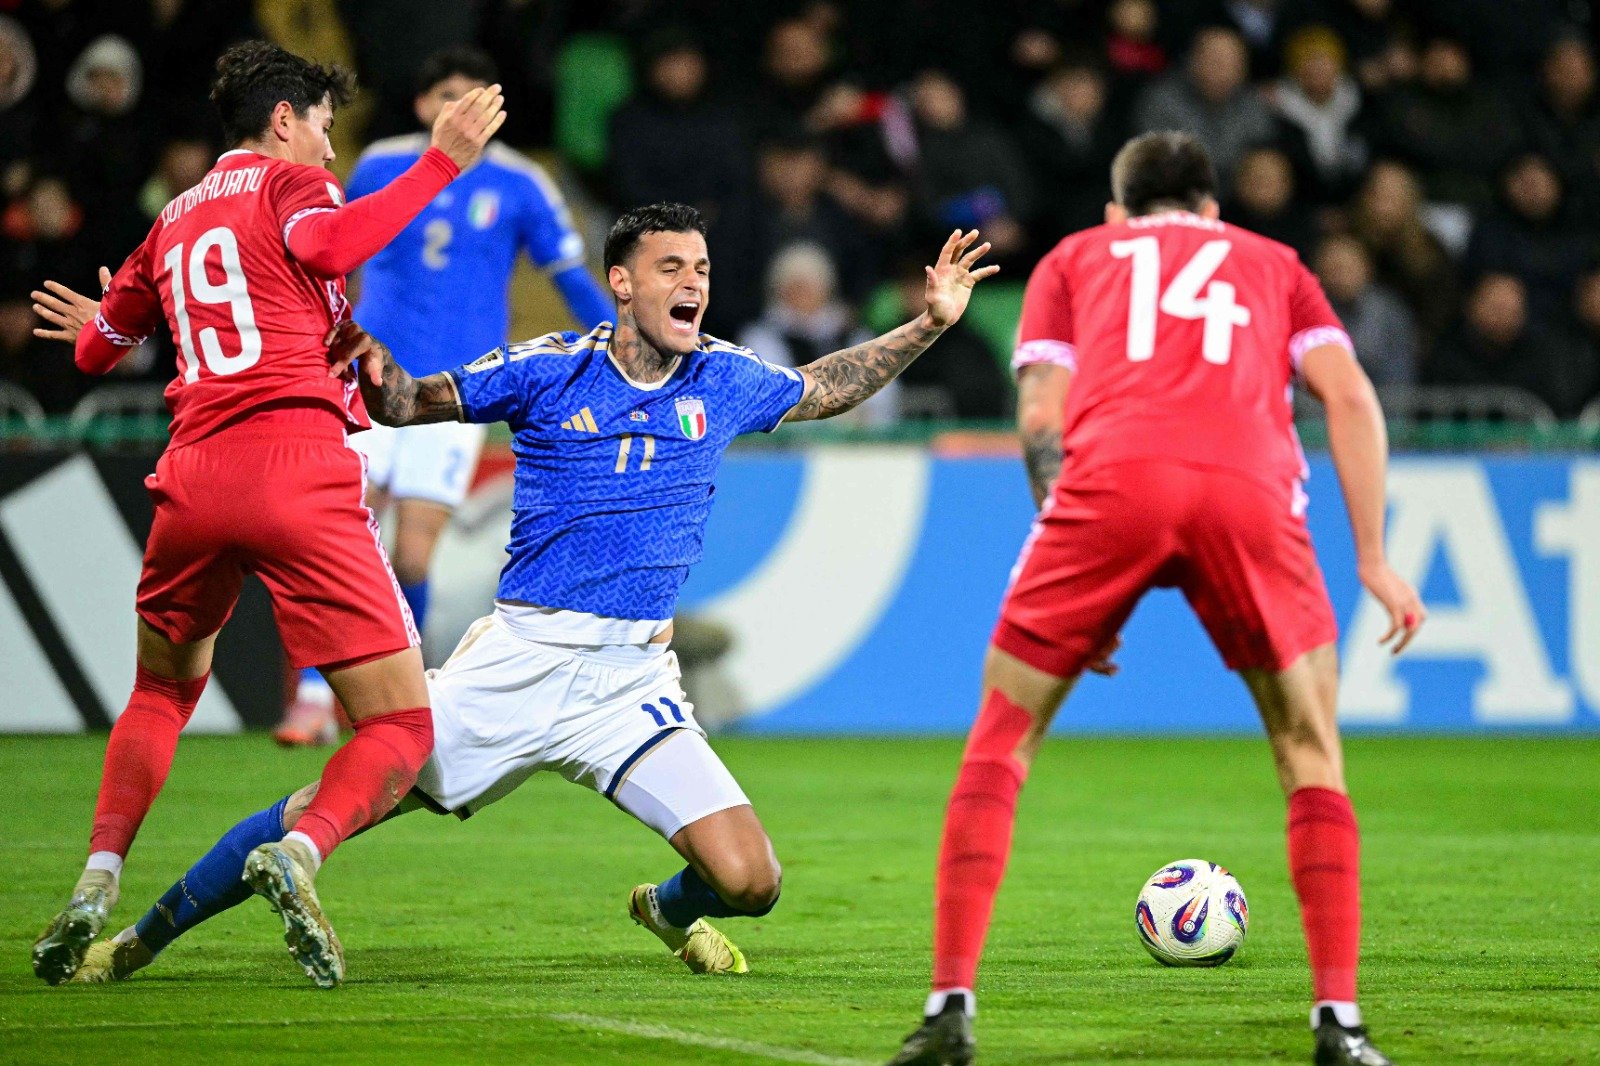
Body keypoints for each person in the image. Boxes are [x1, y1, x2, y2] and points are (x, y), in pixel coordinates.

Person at [65, 205, 999, 985]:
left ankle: (663, 910)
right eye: (671, 265)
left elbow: (824, 387)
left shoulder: (725, 375)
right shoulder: (550, 366)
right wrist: (371, 366)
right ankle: (139, 941)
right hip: (520, 661)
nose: (695, 283)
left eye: (704, 268)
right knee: (331, 803)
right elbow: (411, 404)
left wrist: (932, 323)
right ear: (622, 282)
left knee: (752, 882)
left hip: (631, 682)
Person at [888, 132, 1425, 1066]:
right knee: (1309, 752)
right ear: (1215, 211)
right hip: (1249, 493)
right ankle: (1339, 1024)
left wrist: (1074, 578)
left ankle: (948, 1010)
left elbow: (1042, 419)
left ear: (1116, 213)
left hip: (1110, 490)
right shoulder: (1275, 263)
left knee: (1003, 735)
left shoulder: (1074, 258)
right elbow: (1349, 396)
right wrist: (1374, 556)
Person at [26, 40, 505, 989]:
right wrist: (441, 159)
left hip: (191, 477)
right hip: (292, 469)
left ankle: (96, 877)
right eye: (325, 127)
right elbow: (331, 243)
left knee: (161, 693)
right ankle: (302, 849)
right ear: (284, 118)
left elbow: (96, 353)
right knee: (402, 732)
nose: (329, 152)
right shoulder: (291, 191)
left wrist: (115, 324)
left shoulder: (171, 220)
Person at [275, 45, 611, 747]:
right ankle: (311, 696)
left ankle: (402, 703)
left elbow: (570, 275)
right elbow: (333, 260)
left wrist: (624, 340)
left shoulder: (523, 182)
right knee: (337, 542)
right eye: (447, 96)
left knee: (415, 557)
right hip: (367, 380)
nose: (461, 110)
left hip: (456, 394)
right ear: (426, 106)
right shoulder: (380, 164)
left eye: (474, 97)